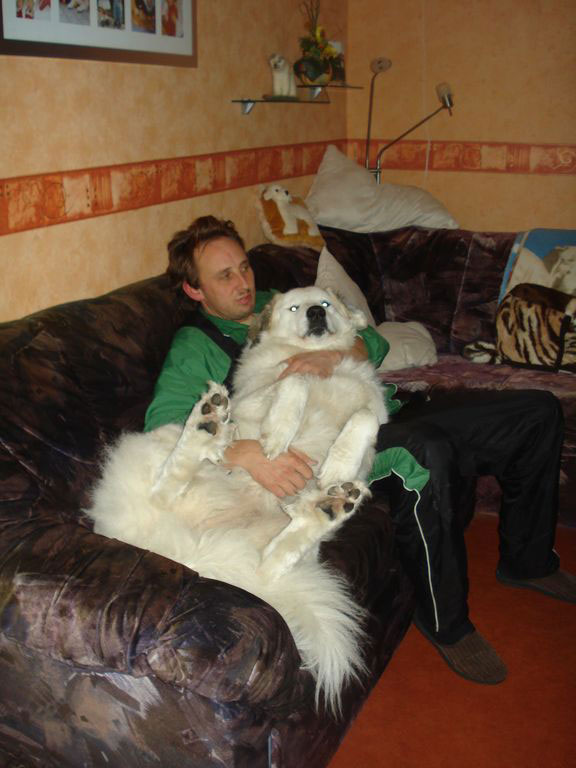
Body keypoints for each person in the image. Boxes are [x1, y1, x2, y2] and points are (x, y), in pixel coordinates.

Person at [145, 215, 576, 685]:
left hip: (383, 403)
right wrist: (247, 453)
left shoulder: (278, 302)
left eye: (244, 267)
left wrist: (332, 355)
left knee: (536, 411)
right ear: (195, 290)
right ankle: (447, 624)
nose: (243, 283)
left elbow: (370, 338)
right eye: (224, 276)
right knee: (424, 452)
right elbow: (164, 425)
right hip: (332, 444)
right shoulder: (196, 346)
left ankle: (529, 561)